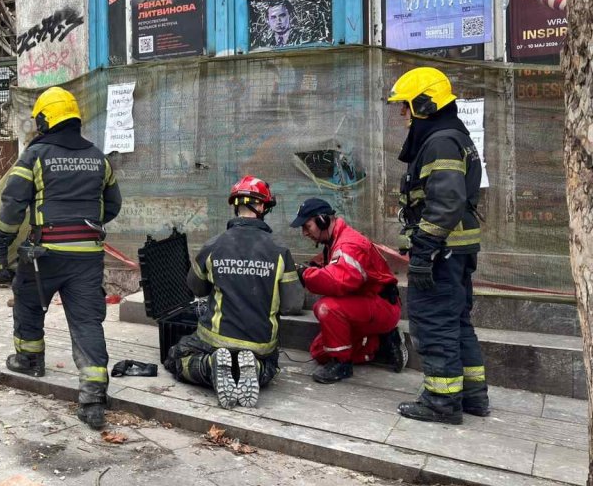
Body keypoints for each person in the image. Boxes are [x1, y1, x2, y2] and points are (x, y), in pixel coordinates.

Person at [0, 86, 121, 430]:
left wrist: (0, 248)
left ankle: (30, 359)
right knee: (87, 321)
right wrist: (84, 225)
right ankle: (93, 397)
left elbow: (12, 207)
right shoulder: (98, 158)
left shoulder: (35, 156)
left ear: (45, 120)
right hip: (87, 257)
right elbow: (113, 205)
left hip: (44, 255)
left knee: (28, 301)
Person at [388, 67, 487, 424]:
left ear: (424, 104)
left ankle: (441, 401)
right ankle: (473, 395)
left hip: (441, 251)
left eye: (406, 105)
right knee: (457, 321)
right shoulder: (454, 135)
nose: (403, 113)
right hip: (456, 250)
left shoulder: (440, 141)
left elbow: (446, 201)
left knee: (434, 322)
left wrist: (424, 248)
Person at [164, 176, 302, 409]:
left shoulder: (213, 245)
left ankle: (209, 366)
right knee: (271, 366)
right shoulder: (280, 251)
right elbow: (292, 304)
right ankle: (256, 368)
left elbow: (196, 287)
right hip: (260, 343)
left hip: (214, 339)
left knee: (175, 357)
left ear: (236, 206)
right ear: (261, 207)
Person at [290, 197, 407, 384]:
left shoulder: (349, 244)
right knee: (319, 352)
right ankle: (380, 344)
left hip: (381, 305)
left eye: (306, 226)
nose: (304, 233)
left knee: (326, 308)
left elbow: (337, 281)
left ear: (322, 220)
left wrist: (305, 274)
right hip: (362, 306)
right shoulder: (335, 240)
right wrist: (310, 266)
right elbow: (332, 263)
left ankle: (342, 364)